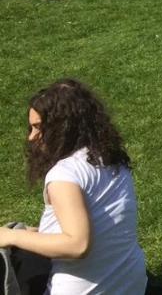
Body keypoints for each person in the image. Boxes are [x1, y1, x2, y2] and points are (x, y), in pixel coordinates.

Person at [0, 80, 147, 292]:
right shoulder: (110, 160)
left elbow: (77, 245)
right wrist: (32, 233)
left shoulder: (64, 175)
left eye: (38, 128)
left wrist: (13, 236)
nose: (31, 137)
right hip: (130, 285)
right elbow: (99, 225)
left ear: (62, 127)